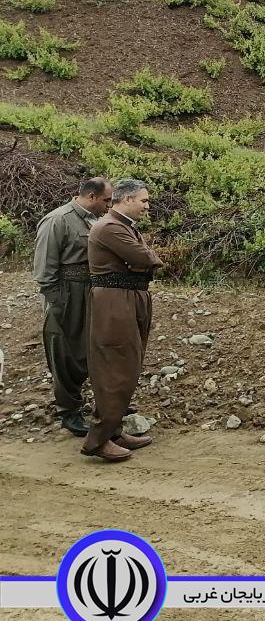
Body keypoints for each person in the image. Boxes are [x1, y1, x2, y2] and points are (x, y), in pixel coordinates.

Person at [81, 179, 165, 462]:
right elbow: (142, 256)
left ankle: (113, 431)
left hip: (127, 299)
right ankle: (99, 440)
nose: (147, 205)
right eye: (143, 200)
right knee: (114, 368)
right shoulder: (110, 227)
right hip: (116, 303)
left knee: (126, 365)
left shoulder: (122, 226)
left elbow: (140, 258)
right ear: (127, 199)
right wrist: (148, 259)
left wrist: (143, 261)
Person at [33, 176, 113, 437]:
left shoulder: (96, 220)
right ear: (91, 197)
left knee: (94, 348)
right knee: (65, 352)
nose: (109, 206)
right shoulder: (57, 220)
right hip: (67, 293)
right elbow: (45, 269)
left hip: (92, 292)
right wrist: (57, 303)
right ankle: (69, 412)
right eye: (106, 200)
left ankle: (105, 406)